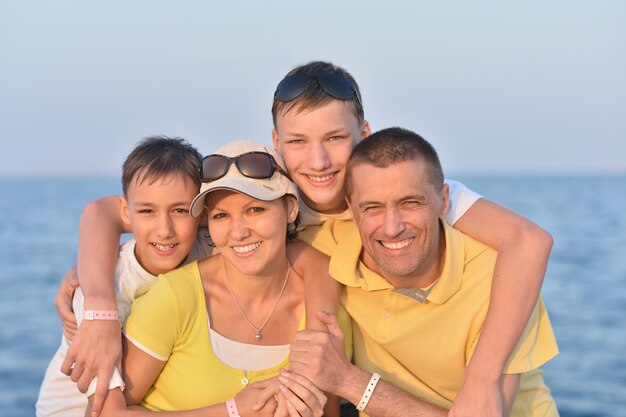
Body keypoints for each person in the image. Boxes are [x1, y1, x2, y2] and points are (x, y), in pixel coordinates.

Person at [56, 61, 553, 417]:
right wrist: (98, 305)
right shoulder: (276, 204)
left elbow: (528, 243)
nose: (318, 162)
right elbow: (107, 211)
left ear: (364, 132)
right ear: (277, 145)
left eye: (335, 139)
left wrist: (484, 381)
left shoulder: (411, 198)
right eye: (297, 142)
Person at [285, 127, 559, 417]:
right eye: (373, 207)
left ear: (443, 200)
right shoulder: (332, 246)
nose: (392, 228)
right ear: (352, 211)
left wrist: (349, 381)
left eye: (410, 203)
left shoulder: (499, 281)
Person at [94, 140, 349, 417]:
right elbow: (101, 413)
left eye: (255, 210)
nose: (238, 232)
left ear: (290, 209)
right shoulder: (176, 296)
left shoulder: (324, 308)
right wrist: (232, 411)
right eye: (221, 216)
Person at [37, 137, 208, 417]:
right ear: (126, 212)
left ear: (201, 211)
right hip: (73, 409)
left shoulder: (207, 249)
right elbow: (105, 408)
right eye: (147, 211)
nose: (164, 230)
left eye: (179, 210)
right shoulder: (104, 290)